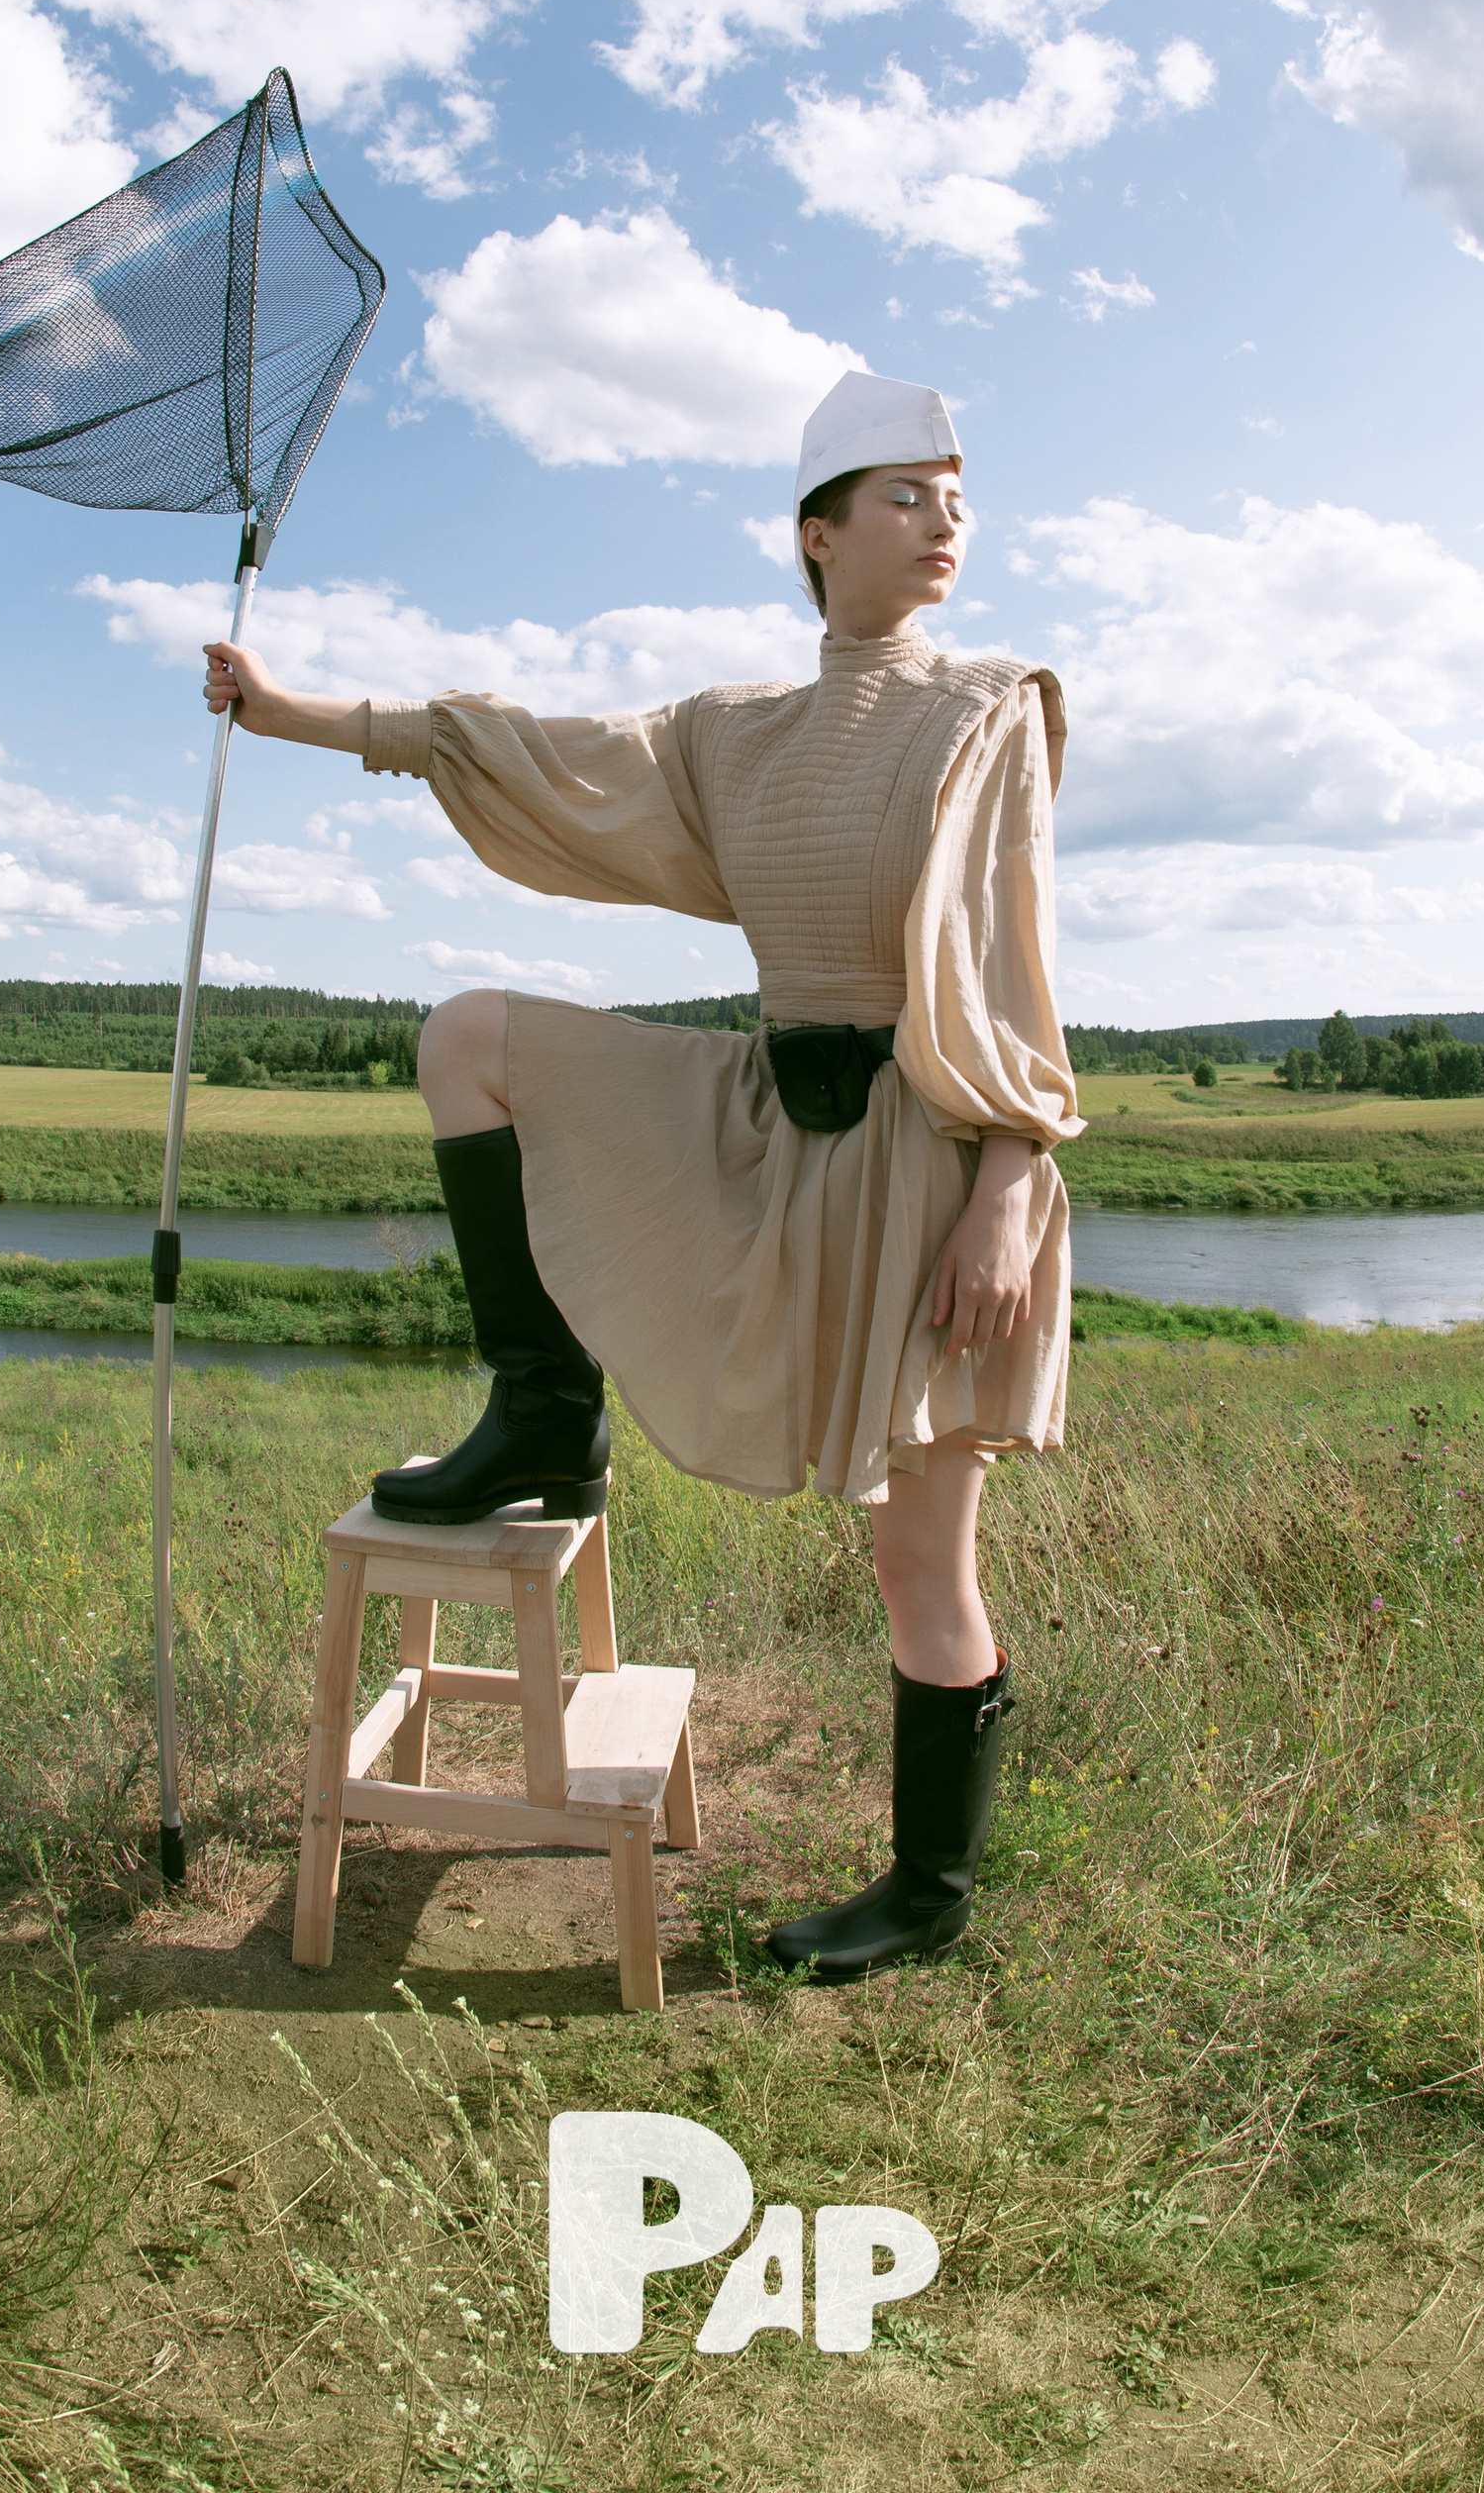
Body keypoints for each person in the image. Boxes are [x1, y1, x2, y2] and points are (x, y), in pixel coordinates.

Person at [201, 370, 1079, 1980]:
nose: (944, 516)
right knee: (469, 1035)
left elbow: (1013, 965)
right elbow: (518, 750)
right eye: (904, 493)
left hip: (935, 1166)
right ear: (818, 535)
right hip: (764, 1117)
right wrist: (289, 715)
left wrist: (1014, 1182)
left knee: (917, 1556)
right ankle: (544, 1412)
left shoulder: (991, 708)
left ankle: (928, 1897)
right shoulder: (728, 734)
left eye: (957, 491)